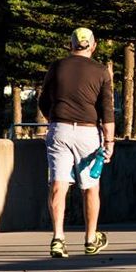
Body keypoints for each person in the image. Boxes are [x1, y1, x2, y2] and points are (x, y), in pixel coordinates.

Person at [39, 27, 115, 259]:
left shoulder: (57, 66)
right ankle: (90, 239)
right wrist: (109, 141)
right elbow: (107, 111)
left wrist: (54, 119)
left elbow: (43, 101)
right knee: (90, 187)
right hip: (88, 133)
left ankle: (58, 238)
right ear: (93, 45)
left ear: (71, 45)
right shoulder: (102, 72)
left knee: (58, 184)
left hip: (59, 129)